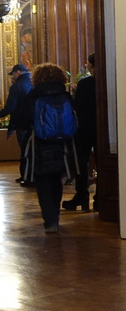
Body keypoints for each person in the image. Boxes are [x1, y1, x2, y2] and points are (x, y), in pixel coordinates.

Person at [15, 63, 78, 233]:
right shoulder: (65, 95)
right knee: (57, 180)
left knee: (43, 182)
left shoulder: (34, 96)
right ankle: (55, 216)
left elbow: (21, 121)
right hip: (63, 146)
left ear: (37, 78)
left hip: (40, 146)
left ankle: (49, 220)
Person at [0, 63, 33, 185]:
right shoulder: (33, 83)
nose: (12, 77)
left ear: (18, 72)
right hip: (35, 123)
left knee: (24, 151)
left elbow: (11, 109)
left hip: (22, 124)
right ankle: (31, 176)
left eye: (13, 74)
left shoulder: (17, 86)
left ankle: (26, 176)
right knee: (32, 150)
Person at [64, 53, 96, 211]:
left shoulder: (85, 83)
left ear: (91, 65)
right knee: (103, 161)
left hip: (85, 128)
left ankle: (82, 196)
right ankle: (102, 198)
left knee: (82, 163)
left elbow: (77, 107)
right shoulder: (110, 80)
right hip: (104, 128)